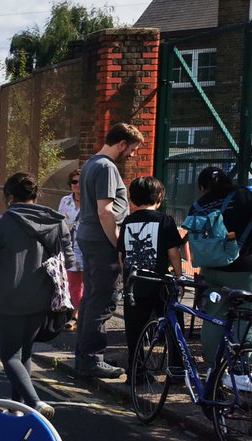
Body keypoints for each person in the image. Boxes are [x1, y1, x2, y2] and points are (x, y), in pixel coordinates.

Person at [0, 173, 68, 419]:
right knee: (24, 353)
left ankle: (35, 402)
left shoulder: (2, 224)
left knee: (9, 356)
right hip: (42, 299)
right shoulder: (56, 222)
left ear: (9, 197)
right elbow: (67, 258)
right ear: (35, 195)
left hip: (10, 299)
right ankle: (18, 408)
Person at [75, 123, 145, 378]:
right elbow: (106, 212)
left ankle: (83, 357)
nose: (133, 155)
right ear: (122, 144)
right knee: (103, 301)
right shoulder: (106, 167)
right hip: (102, 241)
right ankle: (92, 359)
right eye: (133, 149)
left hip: (89, 237)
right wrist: (119, 245)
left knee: (91, 298)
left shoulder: (91, 164)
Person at [187, 166, 252, 365]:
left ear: (201, 186)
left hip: (212, 270)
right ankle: (243, 367)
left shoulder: (198, 205)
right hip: (244, 270)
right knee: (246, 316)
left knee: (213, 316)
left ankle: (213, 367)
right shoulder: (244, 196)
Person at [120, 176, 183, 368]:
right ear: (159, 198)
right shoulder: (165, 220)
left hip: (134, 282)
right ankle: (176, 367)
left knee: (135, 330)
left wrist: (125, 278)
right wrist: (179, 277)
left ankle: (135, 371)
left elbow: (122, 255)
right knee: (173, 324)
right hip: (160, 282)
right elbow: (173, 253)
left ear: (132, 198)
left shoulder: (127, 222)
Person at [58, 168, 84, 331]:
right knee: (73, 284)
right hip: (68, 247)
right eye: (74, 182)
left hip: (86, 247)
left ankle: (77, 315)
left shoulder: (93, 201)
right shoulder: (65, 201)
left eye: (80, 182)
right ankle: (76, 312)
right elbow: (59, 222)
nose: (77, 185)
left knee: (86, 284)